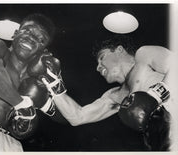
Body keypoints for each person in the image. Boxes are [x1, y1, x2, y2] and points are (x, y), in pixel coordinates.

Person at [37, 35, 175, 151]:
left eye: (102, 57)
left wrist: (157, 94)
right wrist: (54, 86)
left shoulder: (143, 55)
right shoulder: (115, 96)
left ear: (119, 50)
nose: (98, 68)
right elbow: (78, 117)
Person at [0, 13, 64, 151]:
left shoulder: (35, 81)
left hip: (10, 144)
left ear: (43, 49)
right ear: (15, 33)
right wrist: (23, 105)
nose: (31, 38)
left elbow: (66, 118)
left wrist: (55, 86)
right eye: (27, 30)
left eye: (40, 39)